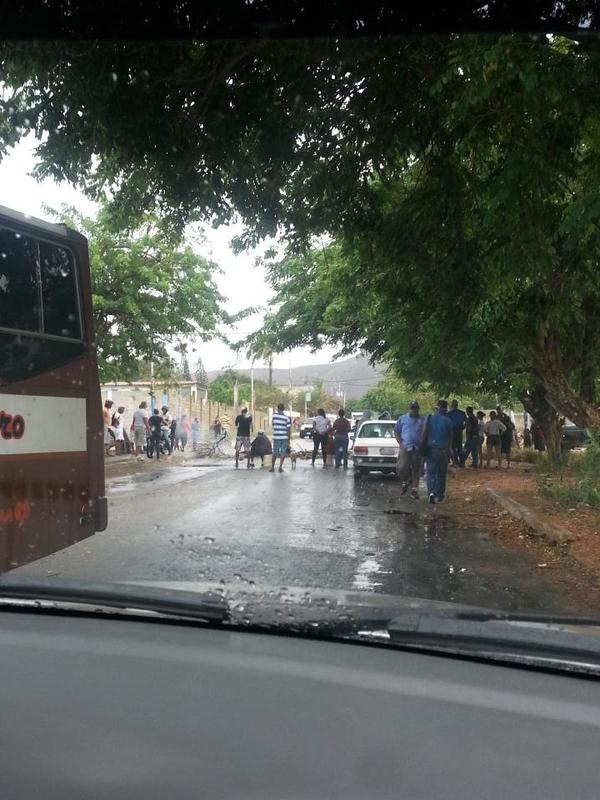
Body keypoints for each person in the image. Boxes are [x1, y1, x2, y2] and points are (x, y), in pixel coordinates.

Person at [420, 399, 452, 504]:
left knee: (431, 472)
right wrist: (448, 452)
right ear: (445, 408)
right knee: (441, 474)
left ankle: (431, 492)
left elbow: (424, 433)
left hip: (431, 450)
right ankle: (439, 495)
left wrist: (422, 444)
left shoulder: (429, 418)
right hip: (443, 450)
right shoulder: (448, 421)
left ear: (437, 407)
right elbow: (449, 438)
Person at [394, 401, 425, 499]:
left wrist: (422, 441)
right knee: (402, 467)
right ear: (409, 409)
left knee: (417, 469)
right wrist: (401, 443)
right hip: (405, 447)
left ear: (418, 409)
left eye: (415, 408)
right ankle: (405, 482)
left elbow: (425, 432)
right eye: (412, 408)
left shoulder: (422, 420)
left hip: (417, 448)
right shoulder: (402, 419)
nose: (414, 410)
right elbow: (396, 431)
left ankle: (414, 490)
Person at [270, 403, 291, 472]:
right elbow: (288, 430)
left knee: (275, 452)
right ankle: (280, 467)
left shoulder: (274, 416)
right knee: (283, 452)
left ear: (277, 408)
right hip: (284, 437)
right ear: (283, 409)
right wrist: (288, 440)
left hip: (276, 437)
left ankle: (272, 467)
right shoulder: (287, 418)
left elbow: (273, 425)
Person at [447, 399, 467, 467]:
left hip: (452, 432)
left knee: (453, 447)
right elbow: (466, 423)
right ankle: (462, 462)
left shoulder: (449, 414)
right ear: (457, 405)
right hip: (459, 431)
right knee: (459, 447)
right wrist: (462, 428)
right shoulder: (462, 413)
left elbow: (447, 424)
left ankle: (455, 462)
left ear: (452, 405)